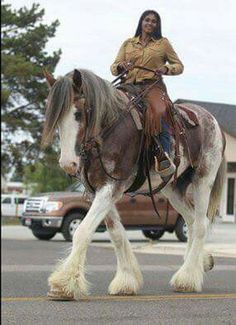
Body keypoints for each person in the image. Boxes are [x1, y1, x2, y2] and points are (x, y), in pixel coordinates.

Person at [110, 10, 184, 178]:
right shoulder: (128, 43)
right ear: (141, 22)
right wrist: (122, 66)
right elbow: (114, 67)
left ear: (157, 25)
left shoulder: (162, 44)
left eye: (153, 21)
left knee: (157, 112)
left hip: (151, 86)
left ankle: (163, 156)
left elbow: (179, 66)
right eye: (147, 20)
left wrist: (166, 68)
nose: (150, 23)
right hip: (128, 85)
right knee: (106, 107)